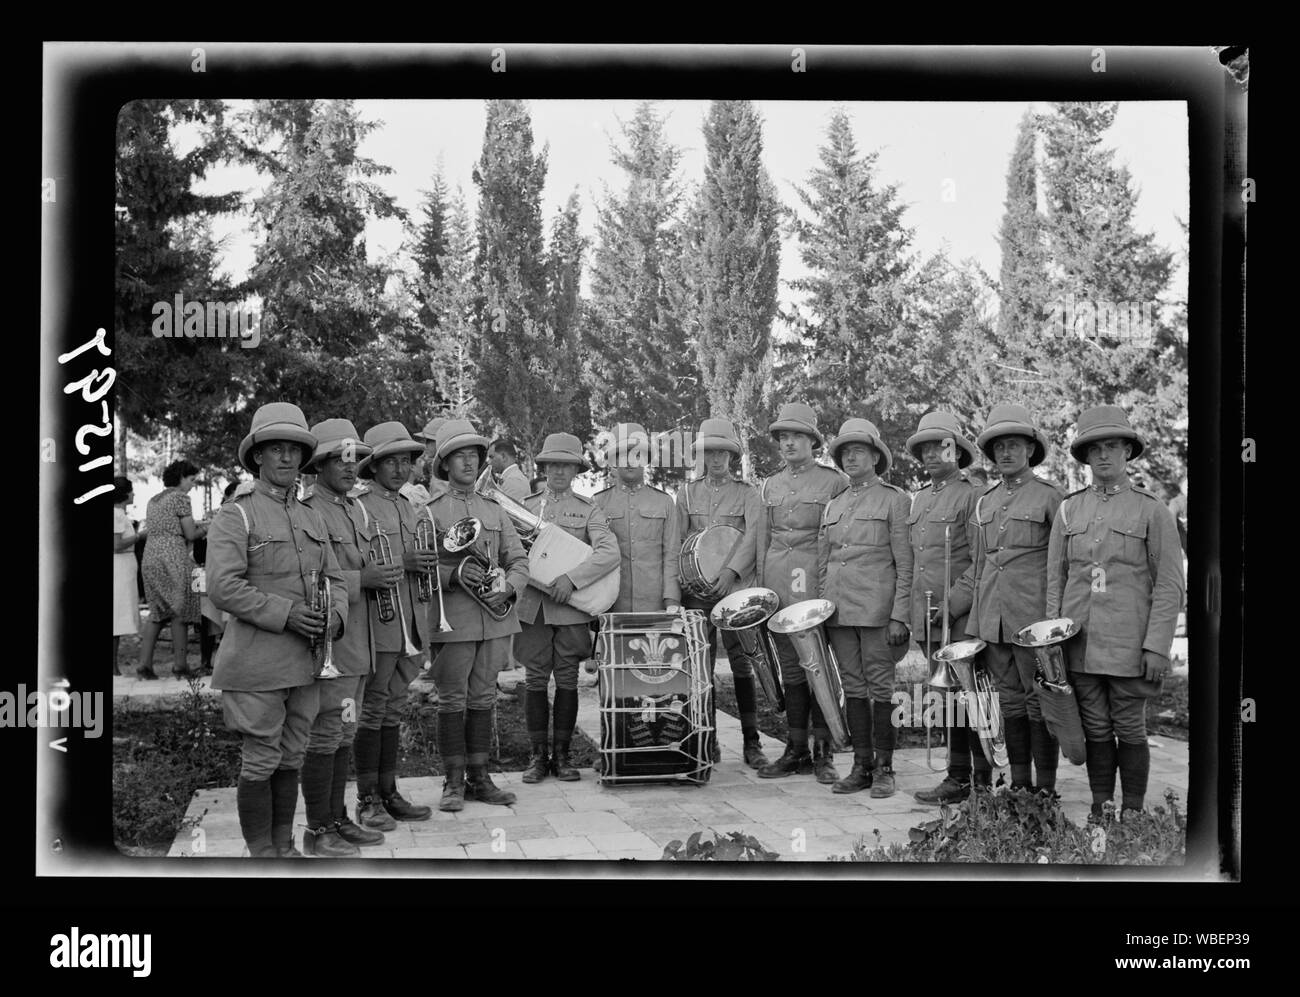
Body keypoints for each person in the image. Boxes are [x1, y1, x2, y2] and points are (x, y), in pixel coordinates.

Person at [207, 403, 347, 858]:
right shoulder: (238, 514)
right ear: (258, 458)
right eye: (275, 450)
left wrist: (336, 617)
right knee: (262, 758)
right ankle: (261, 858)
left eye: (293, 450)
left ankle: (284, 851)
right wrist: (285, 613)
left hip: (306, 663)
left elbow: (337, 580)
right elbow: (222, 588)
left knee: (292, 756)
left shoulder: (313, 516)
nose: (286, 458)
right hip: (257, 662)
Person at [1048, 405, 1184, 821]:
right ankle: (1101, 807)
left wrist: (1157, 646)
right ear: (1085, 457)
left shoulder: (1152, 510)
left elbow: (1169, 584)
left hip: (1129, 645)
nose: (1103, 455)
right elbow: (1056, 579)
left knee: (1129, 727)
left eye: (1112, 447)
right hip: (1079, 643)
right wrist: (1051, 643)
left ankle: (1133, 812)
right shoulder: (1069, 510)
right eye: (1095, 449)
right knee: (1095, 727)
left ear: (1128, 451)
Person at [424, 419, 530, 810]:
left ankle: (480, 779)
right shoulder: (429, 512)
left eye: (474, 456)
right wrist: (452, 574)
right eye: (459, 457)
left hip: (495, 619)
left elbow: (518, 559)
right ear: (445, 464)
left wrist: (510, 586)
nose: (469, 463)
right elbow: (418, 568)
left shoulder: (495, 509)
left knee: (484, 698)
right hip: (452, 620)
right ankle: (453, 783)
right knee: (452, 699)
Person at [300, 419, 390, 855]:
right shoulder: (310, 510)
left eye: (355, 459)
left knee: (344, 734)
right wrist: (362, 579)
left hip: (358, 644)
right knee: (325, 734)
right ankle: (319, 829)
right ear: (319, 465)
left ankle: (337, 819)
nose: (351, 467)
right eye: (341, 459)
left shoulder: (354, 508)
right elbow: (311, 579)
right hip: (333, 641)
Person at [965, 404, 1065, 794]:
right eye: (999, 447)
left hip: (1032, 620)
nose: (1006, 453)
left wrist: (1054, 624)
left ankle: (1046, 789)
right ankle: (1021, 786)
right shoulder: (985, 502)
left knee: (1039, 702)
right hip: (994, 618)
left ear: (1030, 450)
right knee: (1009, 703)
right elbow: (981, 567)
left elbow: (1062, 565)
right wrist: (977, 623)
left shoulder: (1049, 497)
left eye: (1014, 446)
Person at [515, 432, 620, 783]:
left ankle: (562, 756)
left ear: (575, 469)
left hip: (570, 608)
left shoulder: (588, 509)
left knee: (566, 680)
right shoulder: (526, 507)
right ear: (543, 467)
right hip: (535, 608)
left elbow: (609, 552)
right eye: (553, 464)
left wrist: (571, 579)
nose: (559, 471)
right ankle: (536, 758)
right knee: (533, 679)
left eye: (567, 465)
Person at [815, 419, 912, 796]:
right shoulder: (834, 503)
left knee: (880, 689)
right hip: (839, 612)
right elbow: (825, 563)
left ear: (876, 456)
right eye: (844, 452)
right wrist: (822, 611)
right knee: (853, 688)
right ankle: (860, 766)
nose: (850, 456)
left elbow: (905, 564)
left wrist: (899, 615)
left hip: (877, 613)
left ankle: (885, 769)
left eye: (858, 450)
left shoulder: (895, 500)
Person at [755, 402, 849, 781]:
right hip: (778, 585)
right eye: (783, 437)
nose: (789, 443)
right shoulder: (770, 485)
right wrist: (762, 589)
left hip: (816, 584)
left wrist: (830, 590)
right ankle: (795, 749)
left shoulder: (834, 483)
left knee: (820, 669)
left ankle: (823, 751)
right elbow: (764, 540)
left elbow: (839, 540)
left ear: (813, 441)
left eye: (797, 436)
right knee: (792, 670)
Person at [903, 413, 988, 805]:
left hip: (960, 617)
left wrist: (952, 605)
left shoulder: (973, 495)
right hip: (927, 617)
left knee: (971, 698)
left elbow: (979, 560)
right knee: (946, 700)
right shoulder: (919, 497)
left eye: (941, 446)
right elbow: (914, 560)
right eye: (925, 448)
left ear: (957, 451)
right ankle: (957, 775)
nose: (932, 454)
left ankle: (982, 780)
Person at [353, 422, 435, 826]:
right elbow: (354, 563)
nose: (401, 469)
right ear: (373, 465)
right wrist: (404, 561)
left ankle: (389, 792)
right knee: (372, 709)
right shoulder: (360, 504)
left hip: (410, 622)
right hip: (380, 621)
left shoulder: (407, 505)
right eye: (391, 462)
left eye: (406, 461)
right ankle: (366, 799)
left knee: (392, 710)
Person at [675, 418, 767, 768]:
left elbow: (754, 536)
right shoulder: (686, 493)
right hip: (697, 595)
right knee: (701, 668)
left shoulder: (746, 493)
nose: (716, 459)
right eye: (709, 452)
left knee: (743, 665)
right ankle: (706, 740)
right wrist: (682, 584)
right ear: (701, 455)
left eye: (723, 452)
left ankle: (752, 742)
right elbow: (678, 541)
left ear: (732, 456)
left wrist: (731, 572)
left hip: (736, 592)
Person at [594, 423, 682, 615]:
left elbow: (671, 555)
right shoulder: (598, 502)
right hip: (610, 602)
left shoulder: (664, 503)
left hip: (655, 602)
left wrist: (672, 599)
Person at [138, 459, 208, 679]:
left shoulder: (153, 500)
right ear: (180, 478)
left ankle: (144, 666)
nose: (192, 485)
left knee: (156, 613)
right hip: (172, 556)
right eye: (191, 479)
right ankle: (180, 665)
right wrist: (208, 526)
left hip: (150, 556)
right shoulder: (180, 498)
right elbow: (190, 534)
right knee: (180, 612)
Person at [113, 476, 142, 675]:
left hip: (126, 566)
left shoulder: (121, 514)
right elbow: (116, 545)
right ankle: (113, 666)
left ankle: (115, 666)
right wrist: (139, 536)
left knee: (119, 617)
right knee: (117, 617)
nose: (133, 494)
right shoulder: (116, 514)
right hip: (120, 567)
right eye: (131, 490)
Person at [490, 438, 531, 503]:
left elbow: (503, 511)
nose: (489, 462)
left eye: (491, 457)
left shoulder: (515, 480)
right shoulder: (510, 478)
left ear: (503, 457)